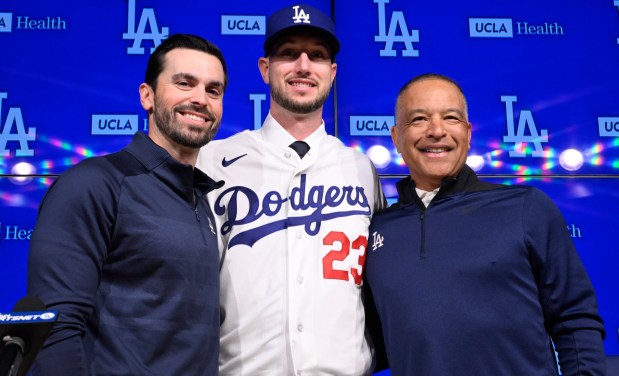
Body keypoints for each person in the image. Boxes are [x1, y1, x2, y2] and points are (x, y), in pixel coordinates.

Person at [364, 73, 607, 375]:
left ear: (467, 133)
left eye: (450, 118)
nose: (436, 131)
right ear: (397, 138)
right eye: (419, 120)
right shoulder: (378, 230)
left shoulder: (525, 207)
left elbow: (575, 320)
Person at [196, 4, 385, 375]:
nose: (303, 65)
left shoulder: (362, 170)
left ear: (332, 73)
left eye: (316, 55)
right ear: (265, 69)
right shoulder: (212, 160)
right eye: (288, 53)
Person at [27, 34, 227, 375]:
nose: (200, 99)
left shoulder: (202, 200)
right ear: (147, 96)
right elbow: (54, 330)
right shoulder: (94, 183)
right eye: (184, 83)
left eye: (213, 90)